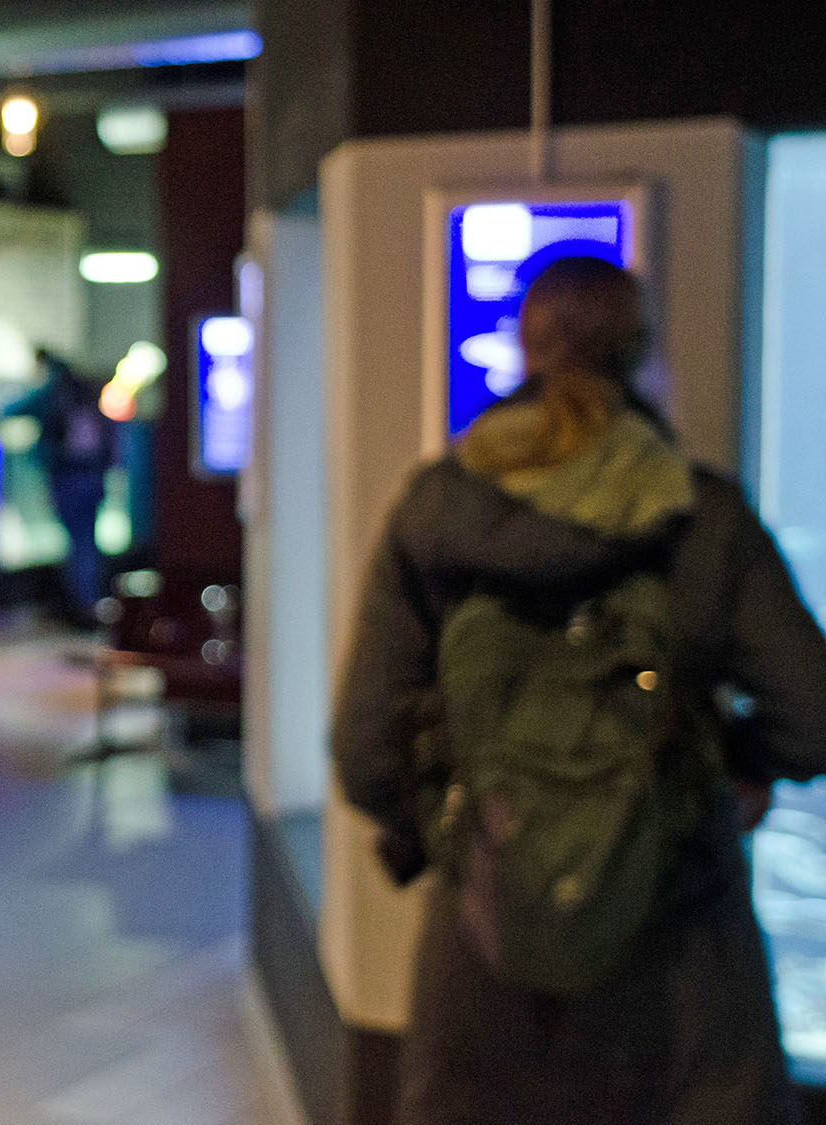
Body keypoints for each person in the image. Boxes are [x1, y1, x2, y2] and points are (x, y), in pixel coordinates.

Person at [333, 256, 826, 1124]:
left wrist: (468, 828)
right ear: (641, 353)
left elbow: (364, 750)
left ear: (523, 348)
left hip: (484, 960)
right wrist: (731, 766)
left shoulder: (439, 511)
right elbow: (812, 714)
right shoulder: (703, 514)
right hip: (682, 961)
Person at [6, 348, 112, 628]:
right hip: (92, 476)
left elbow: (11, 410)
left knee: (79, 544)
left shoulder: (53, 390)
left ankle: (83, 607)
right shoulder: (85, 388)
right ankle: (92, 603)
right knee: (87, 542)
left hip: (69, 477)